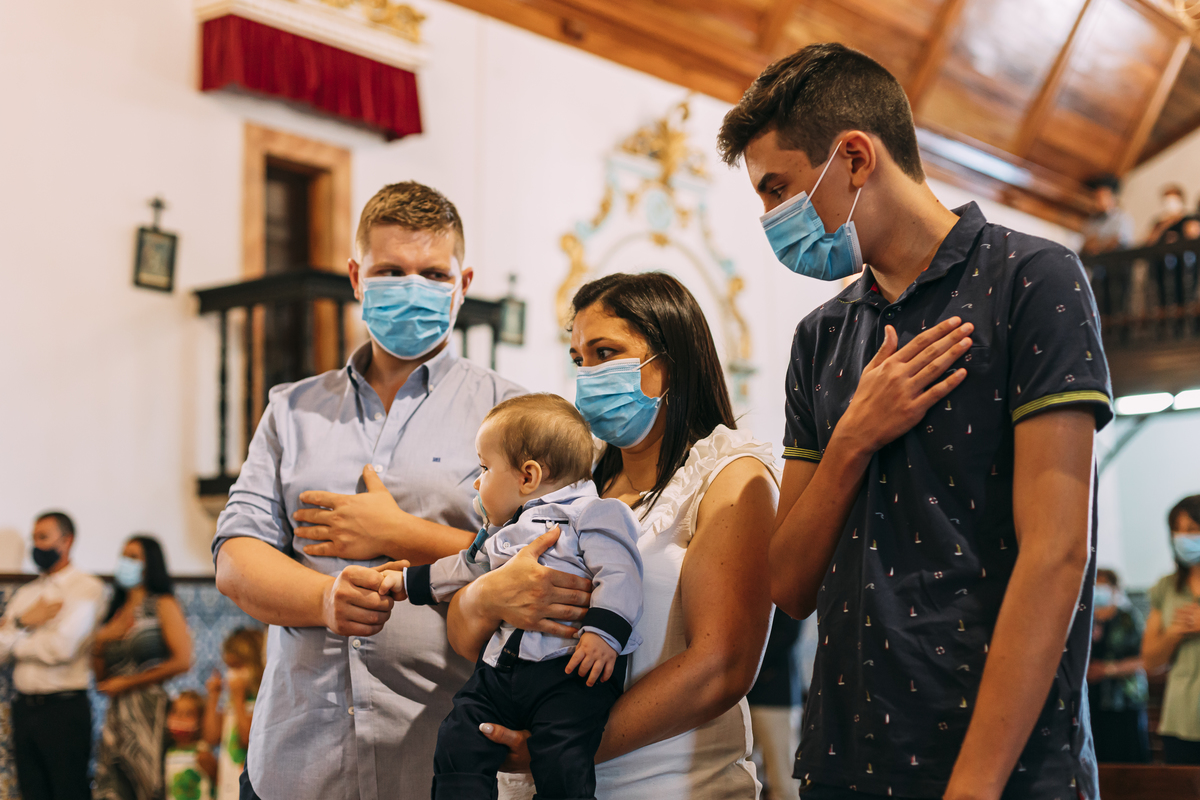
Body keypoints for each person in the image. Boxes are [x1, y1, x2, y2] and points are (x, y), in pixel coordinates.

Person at [717, 42, 1112, 800]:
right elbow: (789, 584)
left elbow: (1057, 555)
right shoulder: (821, 337)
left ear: (855, 157)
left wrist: (973, 787)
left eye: (779, 190)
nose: (771, 220)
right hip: (844, 763)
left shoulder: (1032, 279)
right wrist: (852, 439)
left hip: (1003, 770)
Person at [212, 181, 524, 800]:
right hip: (297, 758)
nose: (413, 287)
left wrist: (402, 535)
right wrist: (326, 599)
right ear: (357, 278)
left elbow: (537, 563)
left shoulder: (514, 413)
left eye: (433, 273)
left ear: (463, 284)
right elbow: (235, 556)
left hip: (440, 756)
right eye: (391, 270)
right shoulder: (292, 409)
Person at [443, 272, 781, 798]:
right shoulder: (571, 485)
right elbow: (468, 632)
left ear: (671, 359)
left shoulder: (729, 474)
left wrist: (558, 745)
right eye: (580, 359)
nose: (588, 375)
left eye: (605, 353)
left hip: (672, 785)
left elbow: (722, 667)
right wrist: (487, 596)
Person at [380, 393, 644, 799]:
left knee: (563, 756)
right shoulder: (503, 531)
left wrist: (602, 634)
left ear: (528, 476)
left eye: (484, 468)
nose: (476, 481)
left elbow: (620, 572)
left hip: (569, 672)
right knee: (459, 734)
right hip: (503, 670)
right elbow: (463, 568)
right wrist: (407, 581)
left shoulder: (593, 513)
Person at [0, 511, 104, 800]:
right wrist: (23, 622)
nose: (36, 545)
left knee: (68, 791)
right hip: (24, 709)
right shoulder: (26, 595)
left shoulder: (87, 588)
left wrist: (14, 637)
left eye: (43, 537)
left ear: (66, 541)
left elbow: (60, 649)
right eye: (33, 538)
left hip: (63, 709)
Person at [92, 535, 193, 800]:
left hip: (151, 712)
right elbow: (101, 678)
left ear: (150, 563)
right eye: (123, 556)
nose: (126, 562)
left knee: (148, 787)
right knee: (111, 790)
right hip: (116, 718)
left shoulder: (162, 605)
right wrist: (100, 640)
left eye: (134, 557)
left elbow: (183, 660)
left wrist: (128, 683)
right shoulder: (113, 610)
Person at [1142, 494, 1200, 764]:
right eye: (1177, 530)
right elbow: (1151, 660)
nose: (1183, 537)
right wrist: (1175, 632)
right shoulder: (1166, 587)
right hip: (1179, 718)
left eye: (1192, 530)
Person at [1087, 568, 1149, 763]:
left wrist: (1107, 670)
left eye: (1103, 586)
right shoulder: (1084, 619)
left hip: (1123, 701)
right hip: (1091, 701)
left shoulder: (1128, 618)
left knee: (1127, 756)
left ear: (1115, 589)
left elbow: (1144, 659)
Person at [747, 609, 804, 800]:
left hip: (776, 694)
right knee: (744, 779)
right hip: (743, 696)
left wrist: (747, 668)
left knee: (783, 784)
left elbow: (788, 632)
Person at [202, 627, 264, 800]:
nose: (232, 673)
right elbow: (211, 737)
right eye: (229, 667)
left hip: (248, 789)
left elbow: (247, 739)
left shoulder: (258, 703)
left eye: (237, 666)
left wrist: (238, 699)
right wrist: (213, 697)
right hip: (227, 789)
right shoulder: (231, 705)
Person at [165, 690, 217, 800]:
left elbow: (220, 782)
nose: (180, 717)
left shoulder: (203, 752)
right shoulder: (166, 752)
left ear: (200, 720)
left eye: (188, 714)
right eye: (175, 712)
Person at [1080, 173, 1135, 256]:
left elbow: (1118, 244)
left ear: (1111, 197)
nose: (1096, 201)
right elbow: (1086, 245)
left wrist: (1099, 244)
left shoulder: (1123, 219)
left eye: (1099, 197)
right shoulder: (1091, 221)